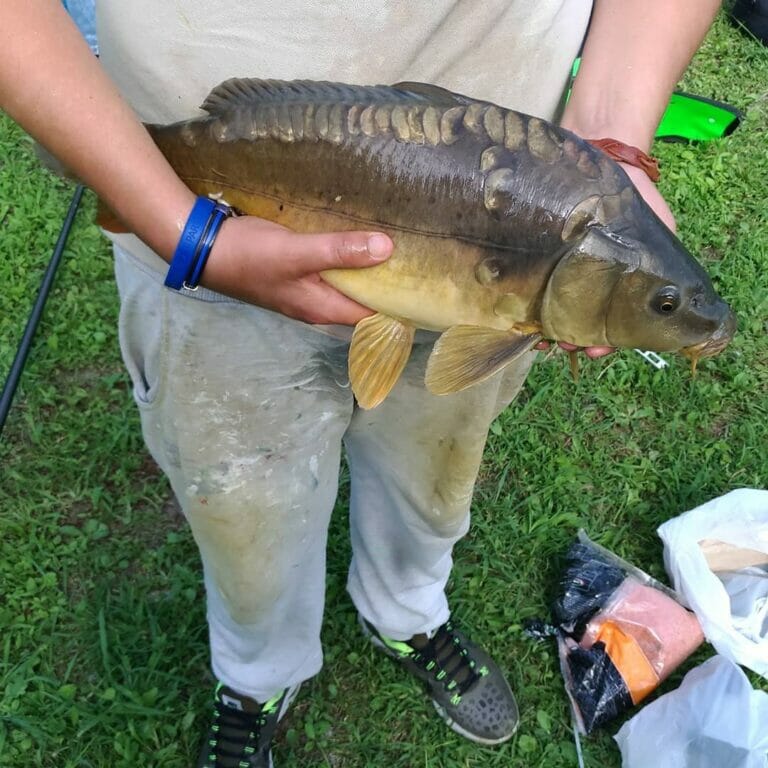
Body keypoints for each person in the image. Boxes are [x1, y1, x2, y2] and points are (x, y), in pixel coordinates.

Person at [0, 2, 722, 766]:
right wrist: (182, 227)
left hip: (526, 209)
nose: (681, 319)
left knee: (438, 471)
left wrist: (612, 144)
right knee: (241, 504)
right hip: (197, 208)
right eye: (665, 305)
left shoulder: (573, 248)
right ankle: (256, 674)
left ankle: (407, 610)